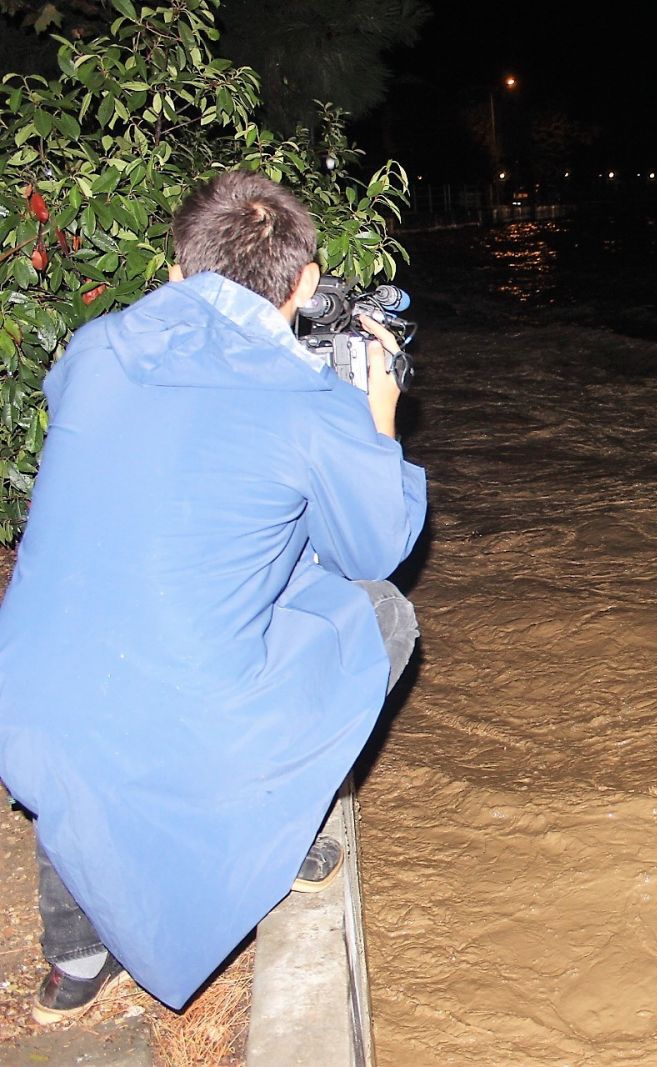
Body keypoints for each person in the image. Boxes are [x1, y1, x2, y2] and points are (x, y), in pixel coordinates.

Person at [0, 170, 427, 1017]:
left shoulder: (93, 349)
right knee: (381, 616)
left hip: (28, 712)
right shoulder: (306, 403)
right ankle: (267, 834)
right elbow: (376, 548)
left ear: (173, 268)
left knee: (104, 649)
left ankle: (76, 957)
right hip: (167, 713)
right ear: (305, 285)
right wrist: (371, 413)